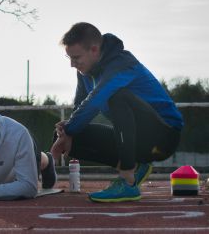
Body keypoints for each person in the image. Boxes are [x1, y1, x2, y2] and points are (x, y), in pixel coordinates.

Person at [51, 22, 183, 202]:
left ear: (94, 50)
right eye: (69, 58)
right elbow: (79, 107)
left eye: (76, 57)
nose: (72, 64)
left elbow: (93, 103)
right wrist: (66, 132)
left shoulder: (122, 64)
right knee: (70, 136)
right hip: (137, 142)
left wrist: (70, 128)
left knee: (116, 95)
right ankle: (136, 166)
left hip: (164, 137)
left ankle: (128, 181)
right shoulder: (84, 73)